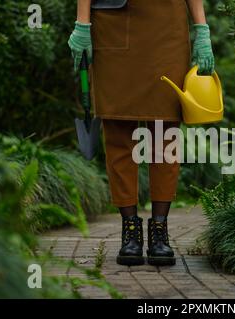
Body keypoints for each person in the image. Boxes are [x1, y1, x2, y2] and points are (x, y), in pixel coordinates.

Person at [68, 0, 214, 266]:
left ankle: (160, 230)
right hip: (113, 22)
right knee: (118, 129)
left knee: (165, 130)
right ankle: (130, 231)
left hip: (167, 26)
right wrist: (82, 22)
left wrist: (202, 28)